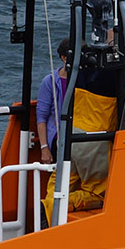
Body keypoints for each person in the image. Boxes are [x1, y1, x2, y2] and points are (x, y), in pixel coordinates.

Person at [32, 37, 72, 166]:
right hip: (58, 137)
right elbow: (42, 117)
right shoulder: (50, 82)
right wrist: (44, 148)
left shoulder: (86, 79)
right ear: (63, 58)